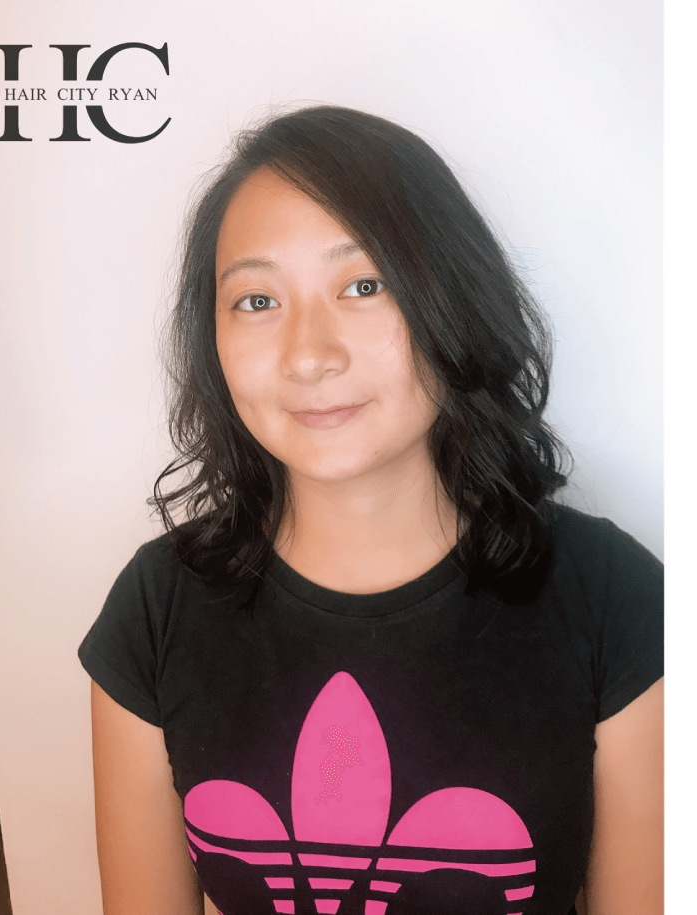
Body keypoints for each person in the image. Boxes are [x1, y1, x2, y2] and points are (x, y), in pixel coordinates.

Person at [79, 106, 663, 915]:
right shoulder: (156, 608)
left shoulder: (613, 596)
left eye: (364, 284)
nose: (309, 354)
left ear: (451, 298)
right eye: (256, 300)